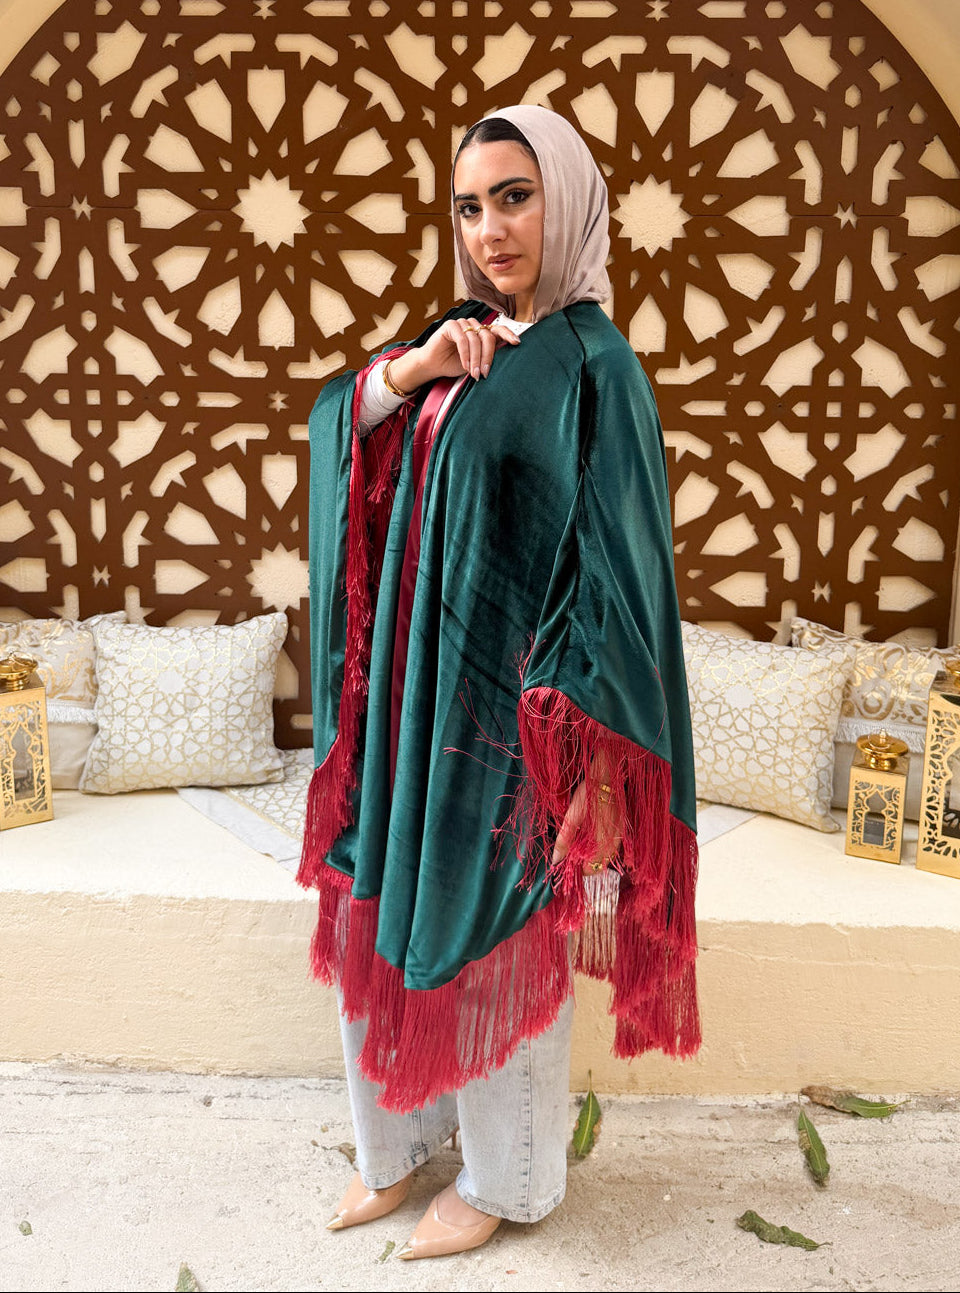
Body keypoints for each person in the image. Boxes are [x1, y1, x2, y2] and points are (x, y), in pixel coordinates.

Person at [298, 104, 699, 1260]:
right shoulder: (463, 333)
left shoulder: (596, 368)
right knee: (386, 904)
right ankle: (395, 1146)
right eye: (470, 206)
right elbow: (342, 430)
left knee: (496, 939)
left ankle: (506, 1182)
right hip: (406, 703)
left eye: (515, 197)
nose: (490, 229)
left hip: (515, 735)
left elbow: (619, 580)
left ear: (566, 198)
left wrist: (595, 771)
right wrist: (414, 369)